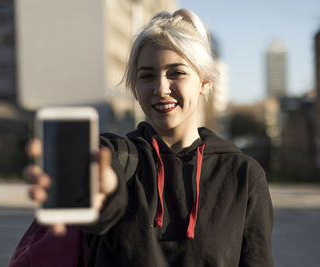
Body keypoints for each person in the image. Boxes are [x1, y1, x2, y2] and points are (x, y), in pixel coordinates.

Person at [18, 8, 274, 267]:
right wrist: (96, 191)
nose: (161, 88)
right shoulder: (115, 155)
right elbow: (105, 188)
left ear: (205, 82)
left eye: (177, 72)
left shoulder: (244, 175)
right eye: (146, 75)